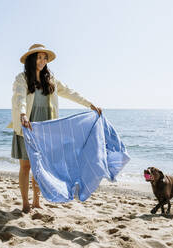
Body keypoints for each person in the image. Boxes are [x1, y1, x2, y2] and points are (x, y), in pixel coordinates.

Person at [7, 44, 102, 213]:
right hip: (27, 126)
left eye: (45, 58)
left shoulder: (50, 79)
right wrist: (22, 114)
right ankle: (25, 204)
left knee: (39, 167)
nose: (43, 61)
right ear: (31, 59)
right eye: (39, 57)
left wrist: (89, 104)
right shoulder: (21, 78)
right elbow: (19, 98)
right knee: (26, 167)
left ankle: (36, 202)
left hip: (45, 130)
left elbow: (70, 92)